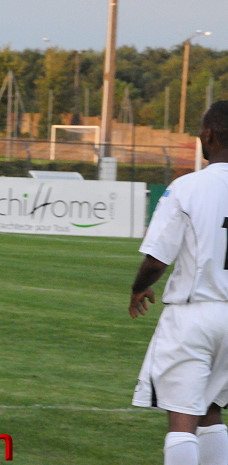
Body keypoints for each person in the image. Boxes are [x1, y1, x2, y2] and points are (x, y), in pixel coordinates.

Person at [129, 100, 228, 465]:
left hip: (195, 313)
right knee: (211, 408)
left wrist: (137, 288)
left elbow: (157, 259)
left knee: (182, 418)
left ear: (209, 136)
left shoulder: (188, 187)